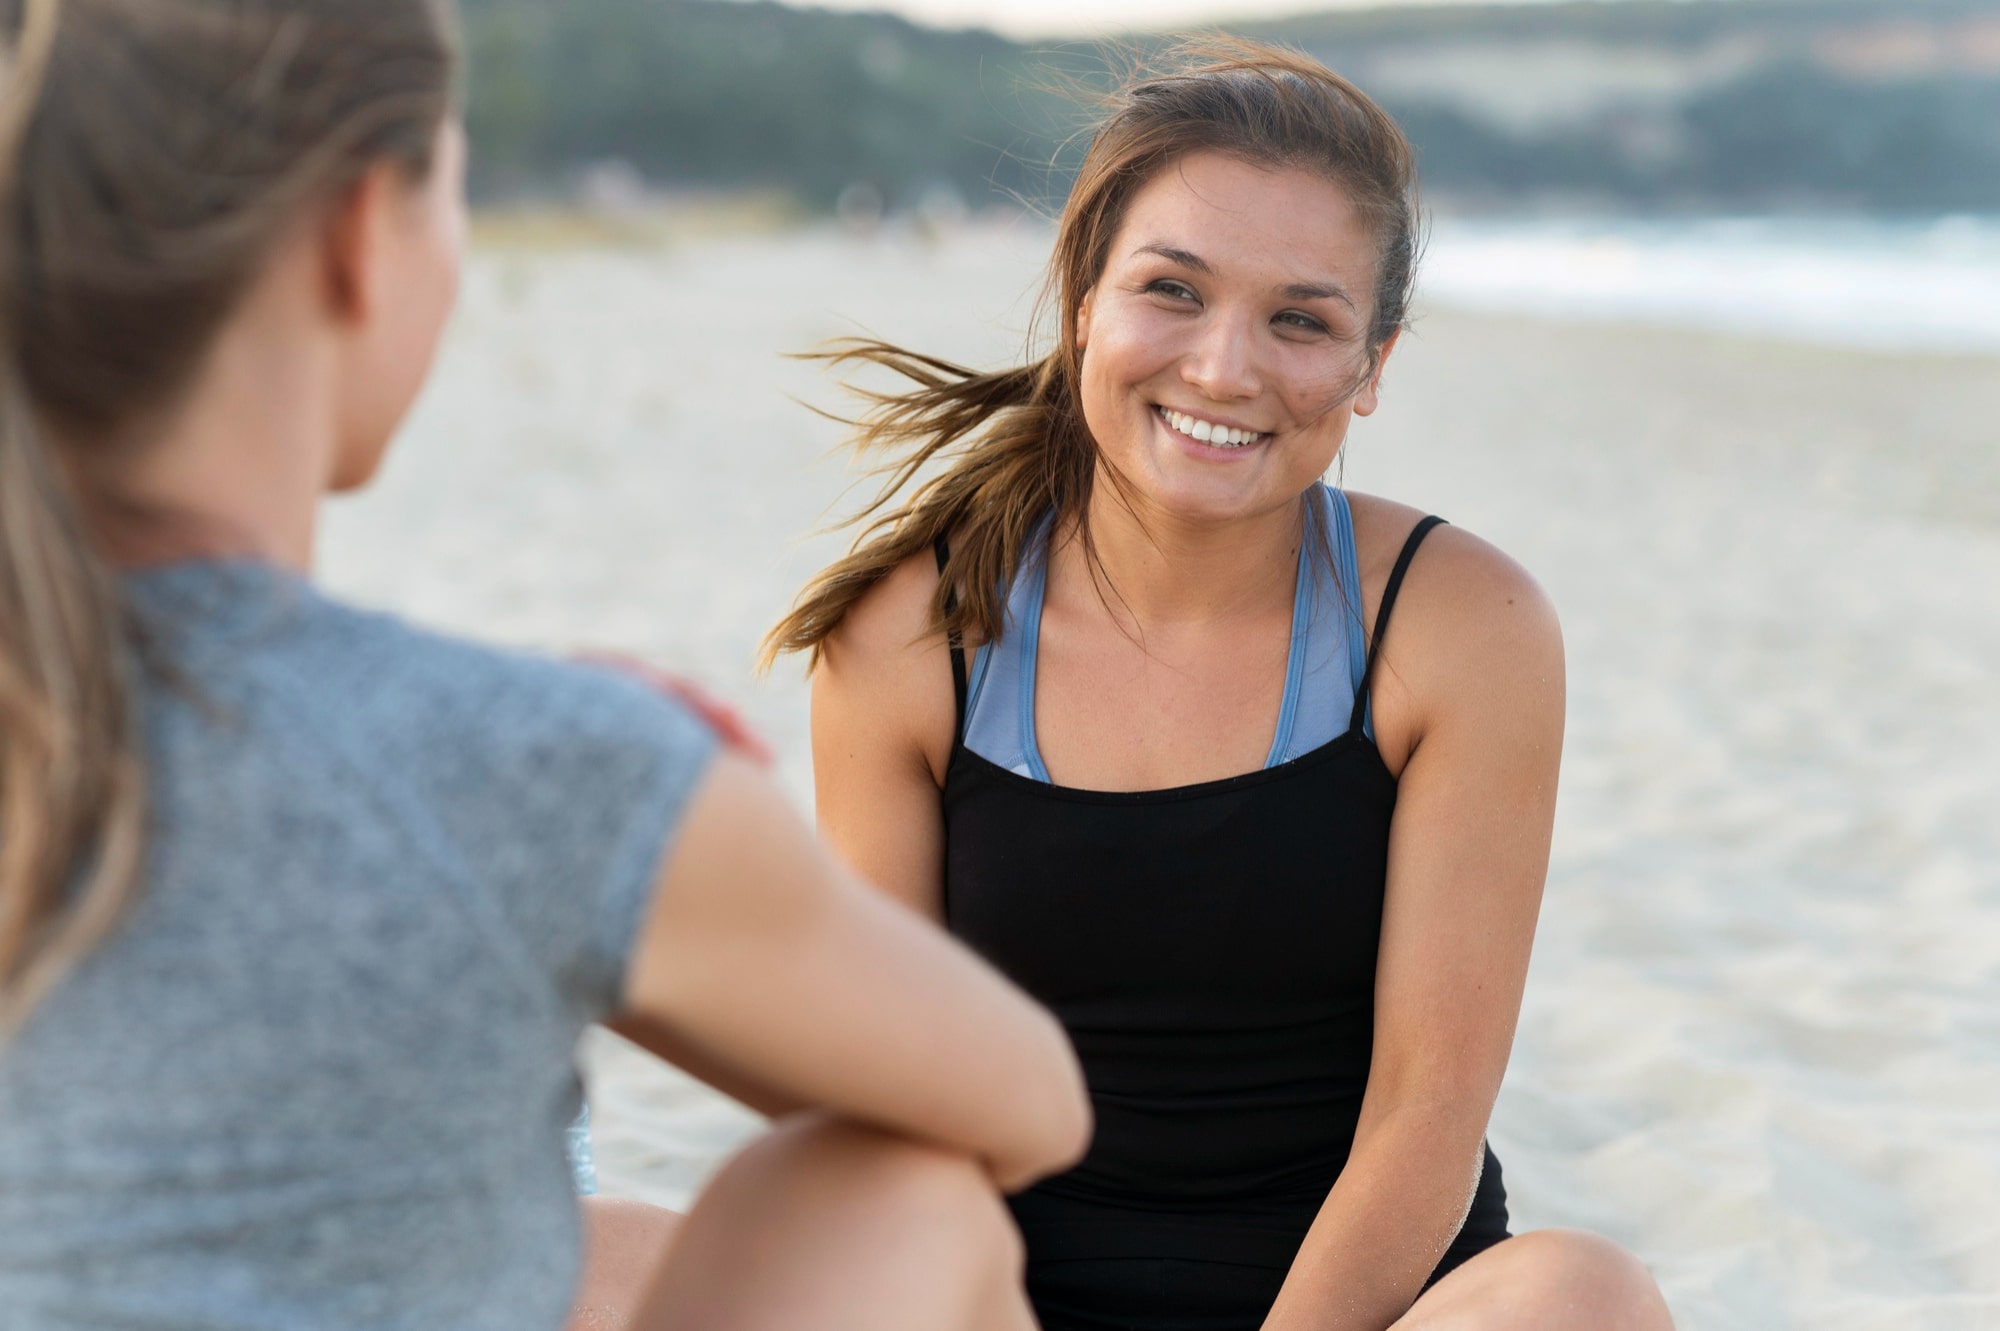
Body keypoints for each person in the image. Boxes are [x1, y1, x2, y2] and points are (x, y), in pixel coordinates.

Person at [0, 3, 1090, 1330]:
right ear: (357, 239)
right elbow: (1029, 1098)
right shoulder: (519, 763)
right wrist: (634, 866)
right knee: (909, 1197)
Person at [769, 39, 1676, 1331]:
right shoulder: (914, 632)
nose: (1223, 369)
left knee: (1589, 1296)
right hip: (1000, 1301)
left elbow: (1429, 1111)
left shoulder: (1464, 621)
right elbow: (896, 1105)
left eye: (1300, 320)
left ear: (1371, 369)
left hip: (1361, 1305)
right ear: (1084, 300)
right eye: (1173, 291)